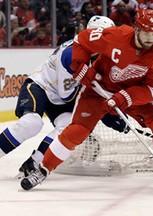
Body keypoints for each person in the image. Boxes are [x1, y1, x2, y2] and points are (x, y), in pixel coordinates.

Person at [21, 8, 153, 190]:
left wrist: (126, 97)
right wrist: (81, 65)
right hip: (99, 89)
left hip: (133, 94)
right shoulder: (116, 35)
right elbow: (81, 40)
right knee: (77, 130)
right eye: (146, 33)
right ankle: (43, 169)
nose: (151, 38)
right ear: (136, 29)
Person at [0, 16, 124, 178]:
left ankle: (34, 163)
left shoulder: (95, 55)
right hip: (40, 87)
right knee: (32, 123)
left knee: (68, 126)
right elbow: (68, 96)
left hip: (59, 96)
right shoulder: (72, 55)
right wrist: (99, 109)